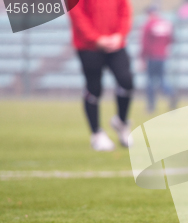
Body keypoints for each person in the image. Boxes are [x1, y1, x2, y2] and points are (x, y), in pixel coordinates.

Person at [69, 0, 134, 151]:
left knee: (126, 81)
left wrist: (120, 35)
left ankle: (121, 123)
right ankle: (97, 133)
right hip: (89, 45)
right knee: (94, 87)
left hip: (115, 42)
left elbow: (124, 10)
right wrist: (96, 38)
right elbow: (77, 14)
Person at [141, 5, 177, 113]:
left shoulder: (149, 25)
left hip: (152, 56)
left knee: (150, 81)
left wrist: (142, 58)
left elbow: (145, 43)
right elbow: (171, 39)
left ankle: (151, 106)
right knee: (162, 80)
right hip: (162, 56)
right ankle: (171, 94)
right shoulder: (166, 24)